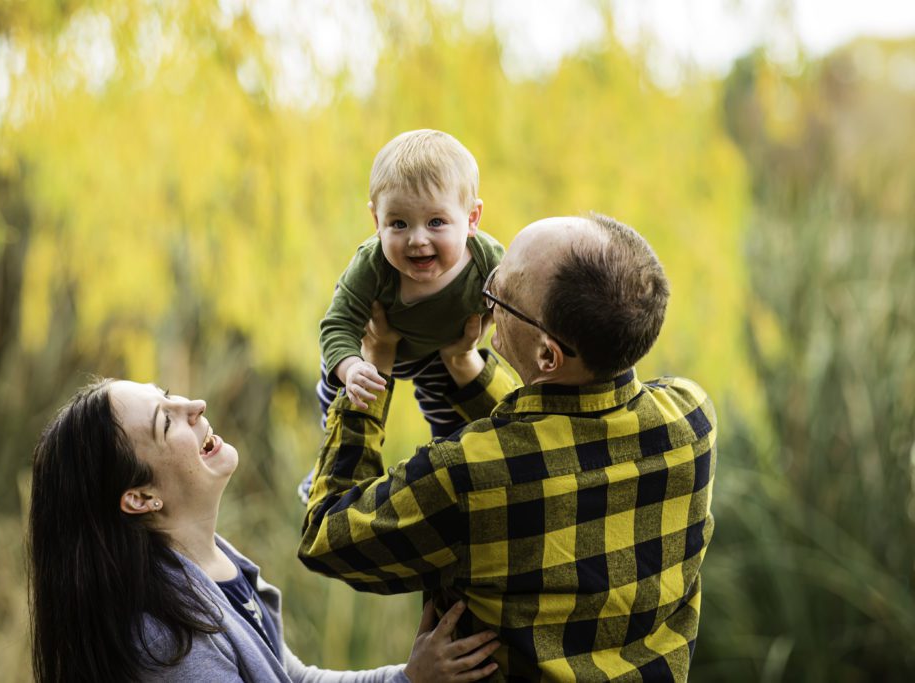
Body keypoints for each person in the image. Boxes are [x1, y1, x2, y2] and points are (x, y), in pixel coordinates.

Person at [299, 214, 718, 681]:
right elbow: (552, 440)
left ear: (547, 355)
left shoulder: (466, 476)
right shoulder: (690, 420)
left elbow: (325, 537)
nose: (484, 294)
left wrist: (373, 368)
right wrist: (465, 366)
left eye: (500, 293)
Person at [28, 378, 502, 682]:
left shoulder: (211, 565)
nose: (195, 404)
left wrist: (410, 677)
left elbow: (292, 677)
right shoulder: (168, 644)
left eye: (168, 393)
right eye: (165, 421)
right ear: (140, 498)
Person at [299, 129, 505, 502]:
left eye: (436, 222)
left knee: (455, 425)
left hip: (440, 355)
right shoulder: (372, 265)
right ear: (376, 220)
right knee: (342, 402)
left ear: (472, 218)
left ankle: (453, 482)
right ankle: (324, 468)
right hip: (371, 353)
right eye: (398, 224)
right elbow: (337, 323)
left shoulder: (488, 259)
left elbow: (517, 302)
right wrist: (350, 367)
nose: (417, 239)